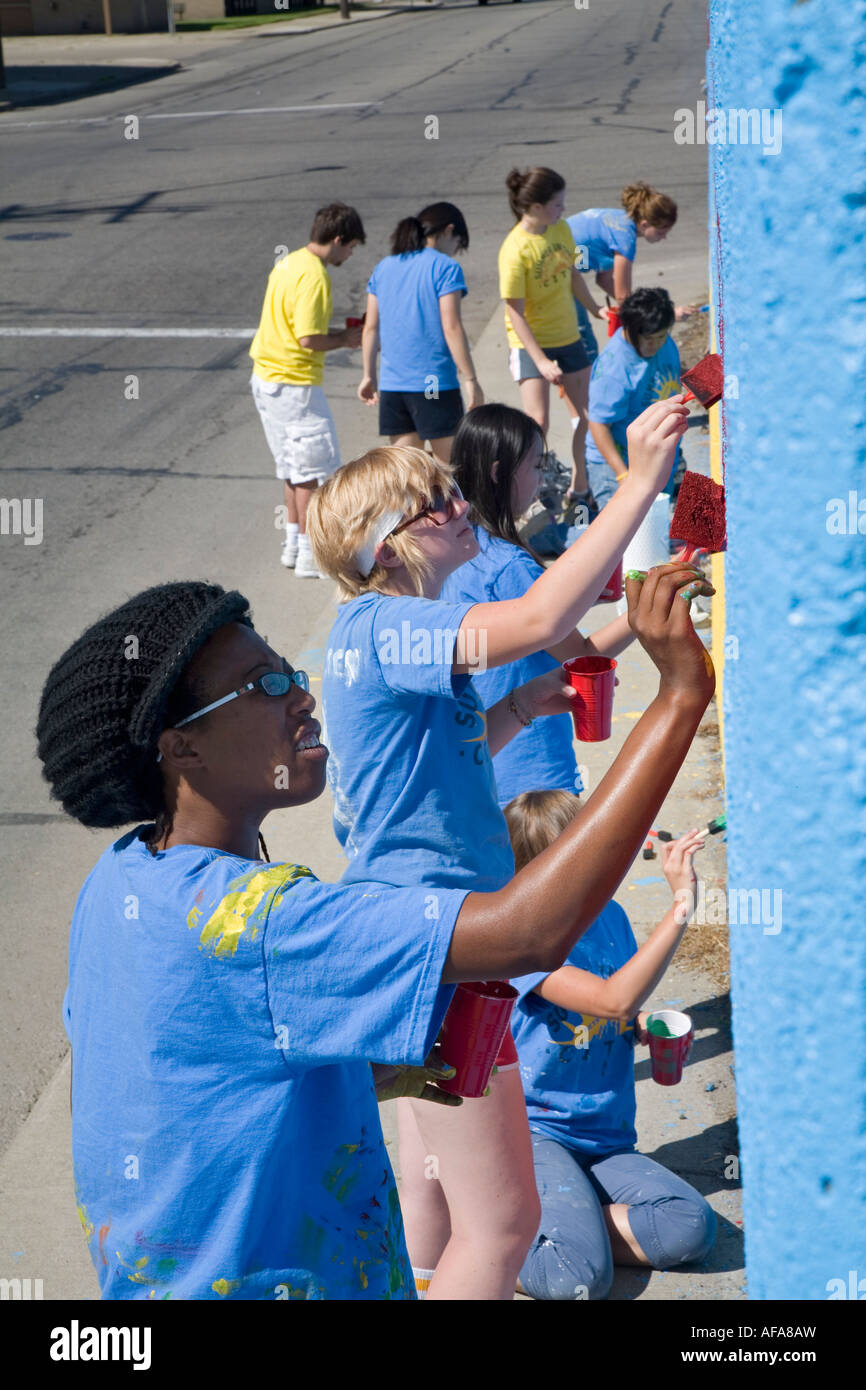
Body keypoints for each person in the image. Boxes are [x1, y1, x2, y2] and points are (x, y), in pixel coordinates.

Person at [36, 573, 715, 1300]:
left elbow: (162, 1087)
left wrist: (363, 1077)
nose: (302, 695)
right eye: (265, 685)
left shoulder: (121, 880)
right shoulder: (264, 921)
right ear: (182, 749)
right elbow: (531, 931)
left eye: (293, 673)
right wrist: (678, 696)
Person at [307, 398, 713, 1300]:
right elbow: (535, 621)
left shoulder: (381, 638)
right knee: (501, 1226)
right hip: (442, 937)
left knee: (430, 1196)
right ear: (389, 547)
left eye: (451, 492)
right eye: (434, 505)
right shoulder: (387, 623)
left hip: (411, 935)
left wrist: (520, 711)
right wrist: (643, 481)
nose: (457, 507)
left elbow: (415, 774)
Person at [503, 790, 717, 1300]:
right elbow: (610, 998)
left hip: (603, 1137)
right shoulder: (523, 939)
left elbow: (613, 1008)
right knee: (576, 1279)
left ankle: (563, 1224)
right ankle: (490, 1233)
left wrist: (639, 1022)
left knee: (693, 1226)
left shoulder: (611, 918)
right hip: (535, 1135)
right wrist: (681, 903)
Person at [441, 402, 636, 808]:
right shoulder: (510, 567)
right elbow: (582, 658)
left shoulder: (450, 556)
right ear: (499, 473)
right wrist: (643, 612)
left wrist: (575, 599)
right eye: (536, 465)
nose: (543, 476)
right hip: (532, 776)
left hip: (476, 763)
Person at [249, 202, 365, 577]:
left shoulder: (288, 262)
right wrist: (346, 338)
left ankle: (294, 543)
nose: (350, 254)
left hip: (267, 380)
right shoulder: (315, 276)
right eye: (351, 247)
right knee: (315, 472)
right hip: (294, 385)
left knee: (292, 469)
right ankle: (313, 557)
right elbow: (308, 339)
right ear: (336, 240)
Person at [498, 166, 607, 507]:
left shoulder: (560, 229)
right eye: (557, 203)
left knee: (588, 416)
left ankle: (579, 484)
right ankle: (523, 491)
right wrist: (541, 361)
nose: (563, 208)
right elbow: (515, 311)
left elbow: (573, 273)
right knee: (538, 422)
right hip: (530, 342)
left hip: (566, 335)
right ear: (533, 207)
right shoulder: (515, 249)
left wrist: (594, 309)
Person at [358, 202, 483, 464]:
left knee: (407, 478)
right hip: (434, 384)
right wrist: (471, 378)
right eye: (458, 243)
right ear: (449, 231)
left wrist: (368, 375)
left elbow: (371, 327)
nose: (455, 251)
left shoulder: (384, 267)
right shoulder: (445, 268)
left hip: (394, 388)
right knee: (451, 473)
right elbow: (451, 327)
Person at [567, 182, 695, 368]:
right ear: (645, 224)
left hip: (567, 268)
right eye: (660, 232)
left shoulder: (620, 222)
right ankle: (587, 388)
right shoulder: (625, 238)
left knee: (583, 342)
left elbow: (603, 279)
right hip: (558, 273)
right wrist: (665, 315)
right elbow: (622, 295)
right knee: (583, 344)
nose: (663, 238)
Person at [586, 286, 684, 516]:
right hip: (617, 464)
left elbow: (665, 371)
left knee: (654, 529)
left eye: (660, 337)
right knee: (622, 540)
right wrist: (623, 476)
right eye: (647, 339)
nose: (654, 345)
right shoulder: (614, 369)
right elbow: (598, 425)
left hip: (655, 457)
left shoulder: (662, 340)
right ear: (629, 329)